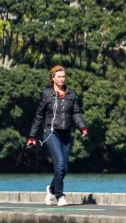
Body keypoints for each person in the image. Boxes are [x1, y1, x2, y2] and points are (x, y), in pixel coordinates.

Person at [27, 65, 88, 207]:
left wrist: (82, 127)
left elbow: (76, 113)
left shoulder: (71, 94)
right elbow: (39, 115)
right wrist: (32, 137)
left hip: (66, 133)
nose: (62, 79)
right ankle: (60, 196)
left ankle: (51, 188)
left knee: (64, 168)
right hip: (51, 132)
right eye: (59, 76)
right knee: (59, 164)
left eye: (63, 76)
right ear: (53, 77)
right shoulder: (47, 94)